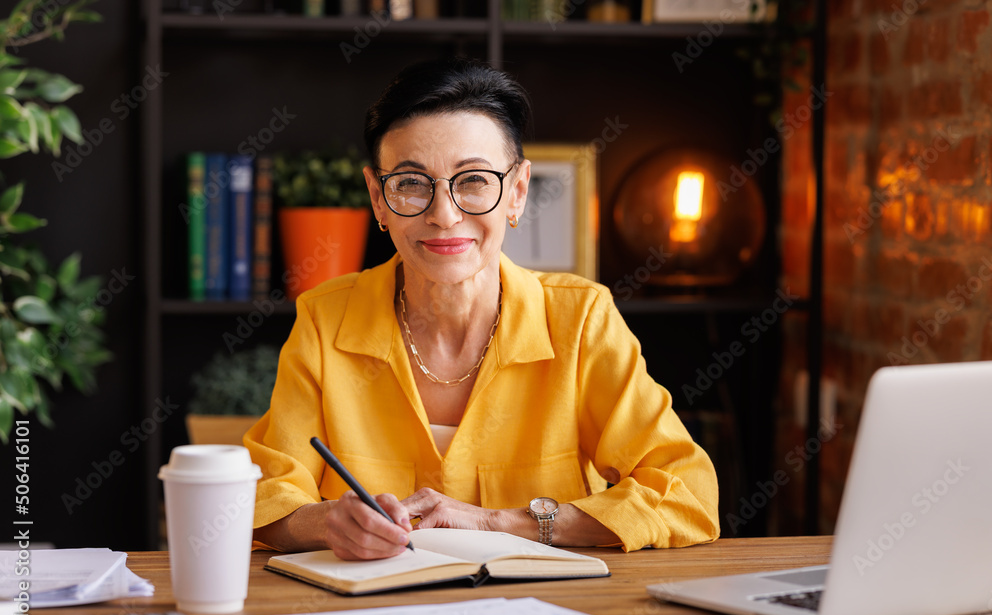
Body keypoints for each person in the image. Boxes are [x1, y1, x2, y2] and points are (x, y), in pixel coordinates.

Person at [244, 58, 720, 560]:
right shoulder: (325, 318)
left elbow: (686, 494)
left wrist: (501, 523)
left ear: (516, 192)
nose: (444, 215)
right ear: (378, 199)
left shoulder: (582, 320)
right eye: (410, 183)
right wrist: (327, 522)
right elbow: (265, 499)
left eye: (472, 181)